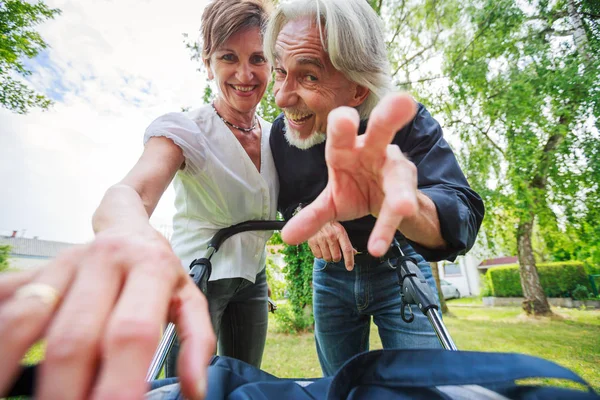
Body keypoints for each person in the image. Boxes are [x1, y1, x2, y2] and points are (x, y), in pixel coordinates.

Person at [0, 0, 277, 398]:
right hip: (196, 279)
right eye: (228, 57)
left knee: (248, 381)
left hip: (253, 279)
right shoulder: (187, 130)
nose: (245, 74)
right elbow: (131, 191)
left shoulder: (275, 136)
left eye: (258, 58)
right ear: (207, 61)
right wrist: (131, 234)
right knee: (187, 387)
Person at [263, 0, 485, 376]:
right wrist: (309, 217)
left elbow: (462, 213)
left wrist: (403, 205)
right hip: (329, 274)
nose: (281, 97)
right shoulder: (280, 135)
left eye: (309, 77)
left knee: (428, 386)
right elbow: (287, 201)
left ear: (359, 91)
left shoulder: (407, 122)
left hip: (400, 267)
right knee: (340, 385)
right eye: (280, 70)